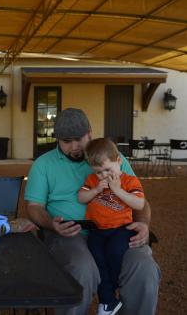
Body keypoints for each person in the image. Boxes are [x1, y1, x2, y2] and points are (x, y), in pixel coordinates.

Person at [24, 108, 160, 315]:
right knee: (80, 268)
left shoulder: (112, 157)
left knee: (144, 268)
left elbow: (140, 200)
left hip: (119, 230)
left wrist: (144, 224)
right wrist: (51, 224)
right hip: (70, 233)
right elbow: (34, 207)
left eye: (78, 139)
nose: (74, 147)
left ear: (90, 132)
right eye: (66, 141)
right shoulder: (43, 164)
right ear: (57, 140)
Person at [78, 138, 145, 314]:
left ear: (119, 161)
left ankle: (114, 287)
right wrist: (96, 190)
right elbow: (81, 198)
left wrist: (118, 191)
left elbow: (139, 204)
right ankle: (107, 301)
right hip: (97, 229)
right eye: (99, 172)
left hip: (121, 229)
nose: (104, 175)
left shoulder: (129, 181)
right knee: (96, 256)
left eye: (108, 169)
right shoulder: (93, 180)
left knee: (114, 252)